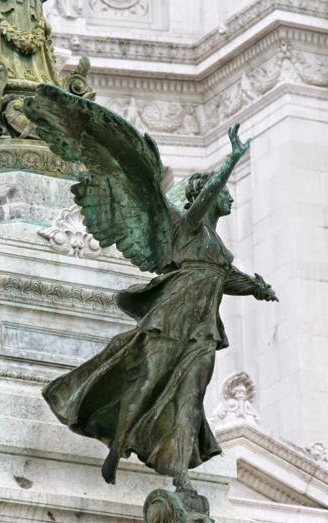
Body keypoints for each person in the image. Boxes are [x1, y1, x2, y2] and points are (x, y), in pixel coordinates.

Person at [24, 87, 278, 490]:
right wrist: (230, 160)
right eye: (222, 192)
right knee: (145, 382)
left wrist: (256, 288)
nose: (229, 198)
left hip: (202, 331)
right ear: (205, 195)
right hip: (170, 318)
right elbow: (205, 205)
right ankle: (118, 444)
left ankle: (179, 471)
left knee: (191, 395)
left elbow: (224, 278)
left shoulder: (217, 248)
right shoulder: (186, 227)